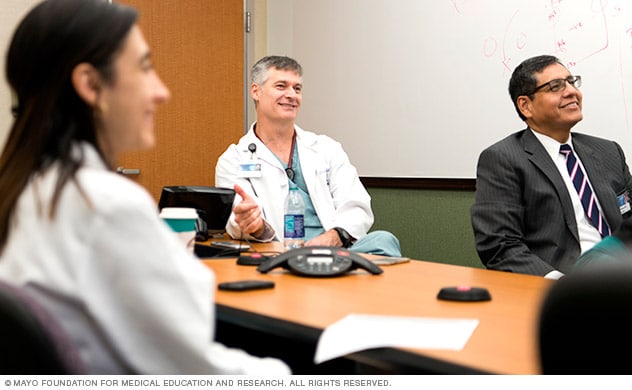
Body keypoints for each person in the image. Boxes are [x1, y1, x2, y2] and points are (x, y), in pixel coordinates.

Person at [0, 0, 289, 375]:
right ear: (90, 85)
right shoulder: (106, 206)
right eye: (144, 68)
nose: (161, 92)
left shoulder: (25, 189)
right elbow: (197, 371)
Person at [215, 55, 401, 257]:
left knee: (383, 240)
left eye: (297, 88)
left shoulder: (326, 148)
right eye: (281, 86)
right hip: (278, 254)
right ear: (256, 91)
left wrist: (332, 238)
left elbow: (357, 205)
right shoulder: (233, 160)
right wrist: (254, 225)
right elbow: (236, 221)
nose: (291, 95)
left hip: (336, 251)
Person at [470, 54, 632, 278]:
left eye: (571, 82)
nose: (571, 92)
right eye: (556, 86)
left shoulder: (608, 151)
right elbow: (500, 246)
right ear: (526, 105)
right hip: (567, 285)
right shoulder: (503, 159)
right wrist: (560, 284)